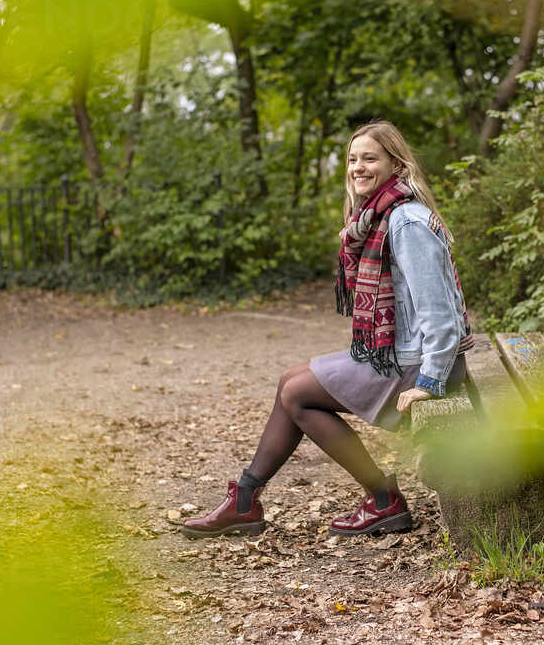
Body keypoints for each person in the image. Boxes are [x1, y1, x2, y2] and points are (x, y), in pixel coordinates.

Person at [181, 120, 474, 539]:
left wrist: (429, 382)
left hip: (423, 364)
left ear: (396, 163)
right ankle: (245, 499)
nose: (358, 167)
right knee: (291, 380)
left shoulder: (405, 221)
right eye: (353, 159)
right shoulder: (379, 215)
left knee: (297, 394)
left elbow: (441, 313)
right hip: (407, 355)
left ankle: (381, 497)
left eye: (370, 158)